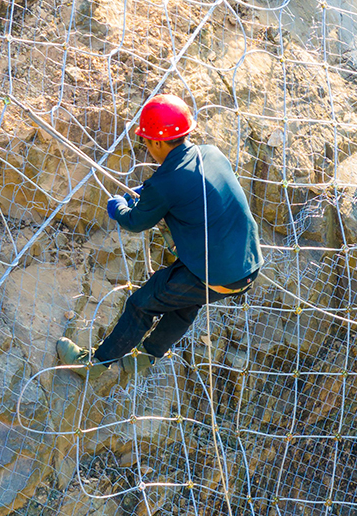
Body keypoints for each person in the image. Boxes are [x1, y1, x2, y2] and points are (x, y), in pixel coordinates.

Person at [57, 94, 263, 381]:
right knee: (184, 301)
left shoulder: (165, 184)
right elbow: (188, 189)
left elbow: (136, 221)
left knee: (143, 303)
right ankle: (145, 356)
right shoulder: (211, 153)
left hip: (216, 271)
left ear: (156, 142)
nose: (146, 147)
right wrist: (151, 191)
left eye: (146, 141)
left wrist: (119, 208)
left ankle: (96, 365)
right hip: (247, 263)